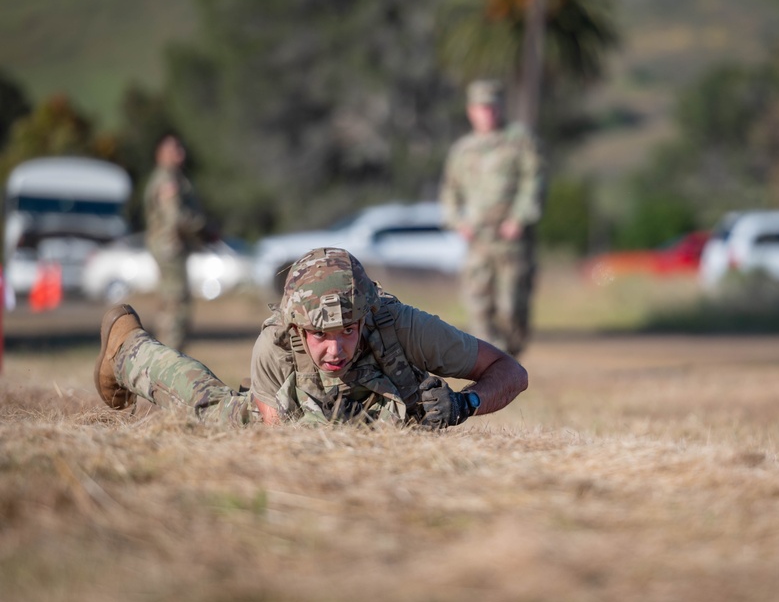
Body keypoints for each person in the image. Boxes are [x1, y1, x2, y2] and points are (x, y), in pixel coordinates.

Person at [93, 247, 528, 428]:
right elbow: (281, 446)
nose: (334, 348)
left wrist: (462, 405)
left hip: (365, 410)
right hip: (295, 414)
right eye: (320, 335)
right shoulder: (274, 347)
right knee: (215, 411)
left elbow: (510, 371)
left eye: (347, 332)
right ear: (298, 327)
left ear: (366, 316)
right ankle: (128, 350)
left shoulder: (405, 327)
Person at [439, 79, 545, 358]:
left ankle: (511, 355)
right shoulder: (463, 149)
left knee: (512, 305)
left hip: (511, 239)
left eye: (491, 107)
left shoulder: (519, 140)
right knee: (478, 303)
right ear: (470, 111)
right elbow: (450, 190)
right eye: (480, 108)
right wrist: (456, 221)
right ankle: (489, 361)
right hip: (478, 239)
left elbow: (534, 181)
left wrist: (519, 218)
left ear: (499, 108)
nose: (486, 113)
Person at [143, 131, 207, 351]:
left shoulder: (170, 177)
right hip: (171, 248)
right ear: (160, 153)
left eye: (180, 148)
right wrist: (202, 226)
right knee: (176, 304)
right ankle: (172, 358)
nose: (180, 153)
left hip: (168, 248)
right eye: (173, 149)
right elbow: (176, 217)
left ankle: (166, 355)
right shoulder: (168, 179)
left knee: (168, 303)